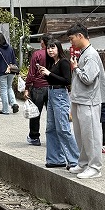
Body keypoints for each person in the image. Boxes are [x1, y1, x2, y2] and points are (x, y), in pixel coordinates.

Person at [66, 22, 105, 179]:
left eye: (72, 38)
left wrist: (76, 68)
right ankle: (84, 163)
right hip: (81, 99)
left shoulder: (90, 54)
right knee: (81, 134)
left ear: (80, 36)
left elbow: (88, 78)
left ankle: (95, 167)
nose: (71, 42)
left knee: (91, 134)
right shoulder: (85, 53)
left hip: (88, 100)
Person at [39, 41, 80, 169]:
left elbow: (67, 81)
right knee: (50, 128)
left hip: (60, 95)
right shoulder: (52, 63)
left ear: (59, 48)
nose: (50, 50)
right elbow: (53, 79)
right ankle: (55, 159)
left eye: (53, 48)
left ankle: (75, 160)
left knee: (63, 128)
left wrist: (49, 74)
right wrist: (45, 75)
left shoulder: (64, 62)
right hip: (51, 93)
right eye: (48, 48)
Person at [24, 36, 51, 146]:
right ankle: (52, 137)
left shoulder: (37, 54)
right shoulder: (54, 54)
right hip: (52, 87)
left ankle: (34, 137)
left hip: (38, 87)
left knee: (35, 113)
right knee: (52, 114)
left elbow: (31, 73)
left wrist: (27, 87)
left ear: (43, 42)